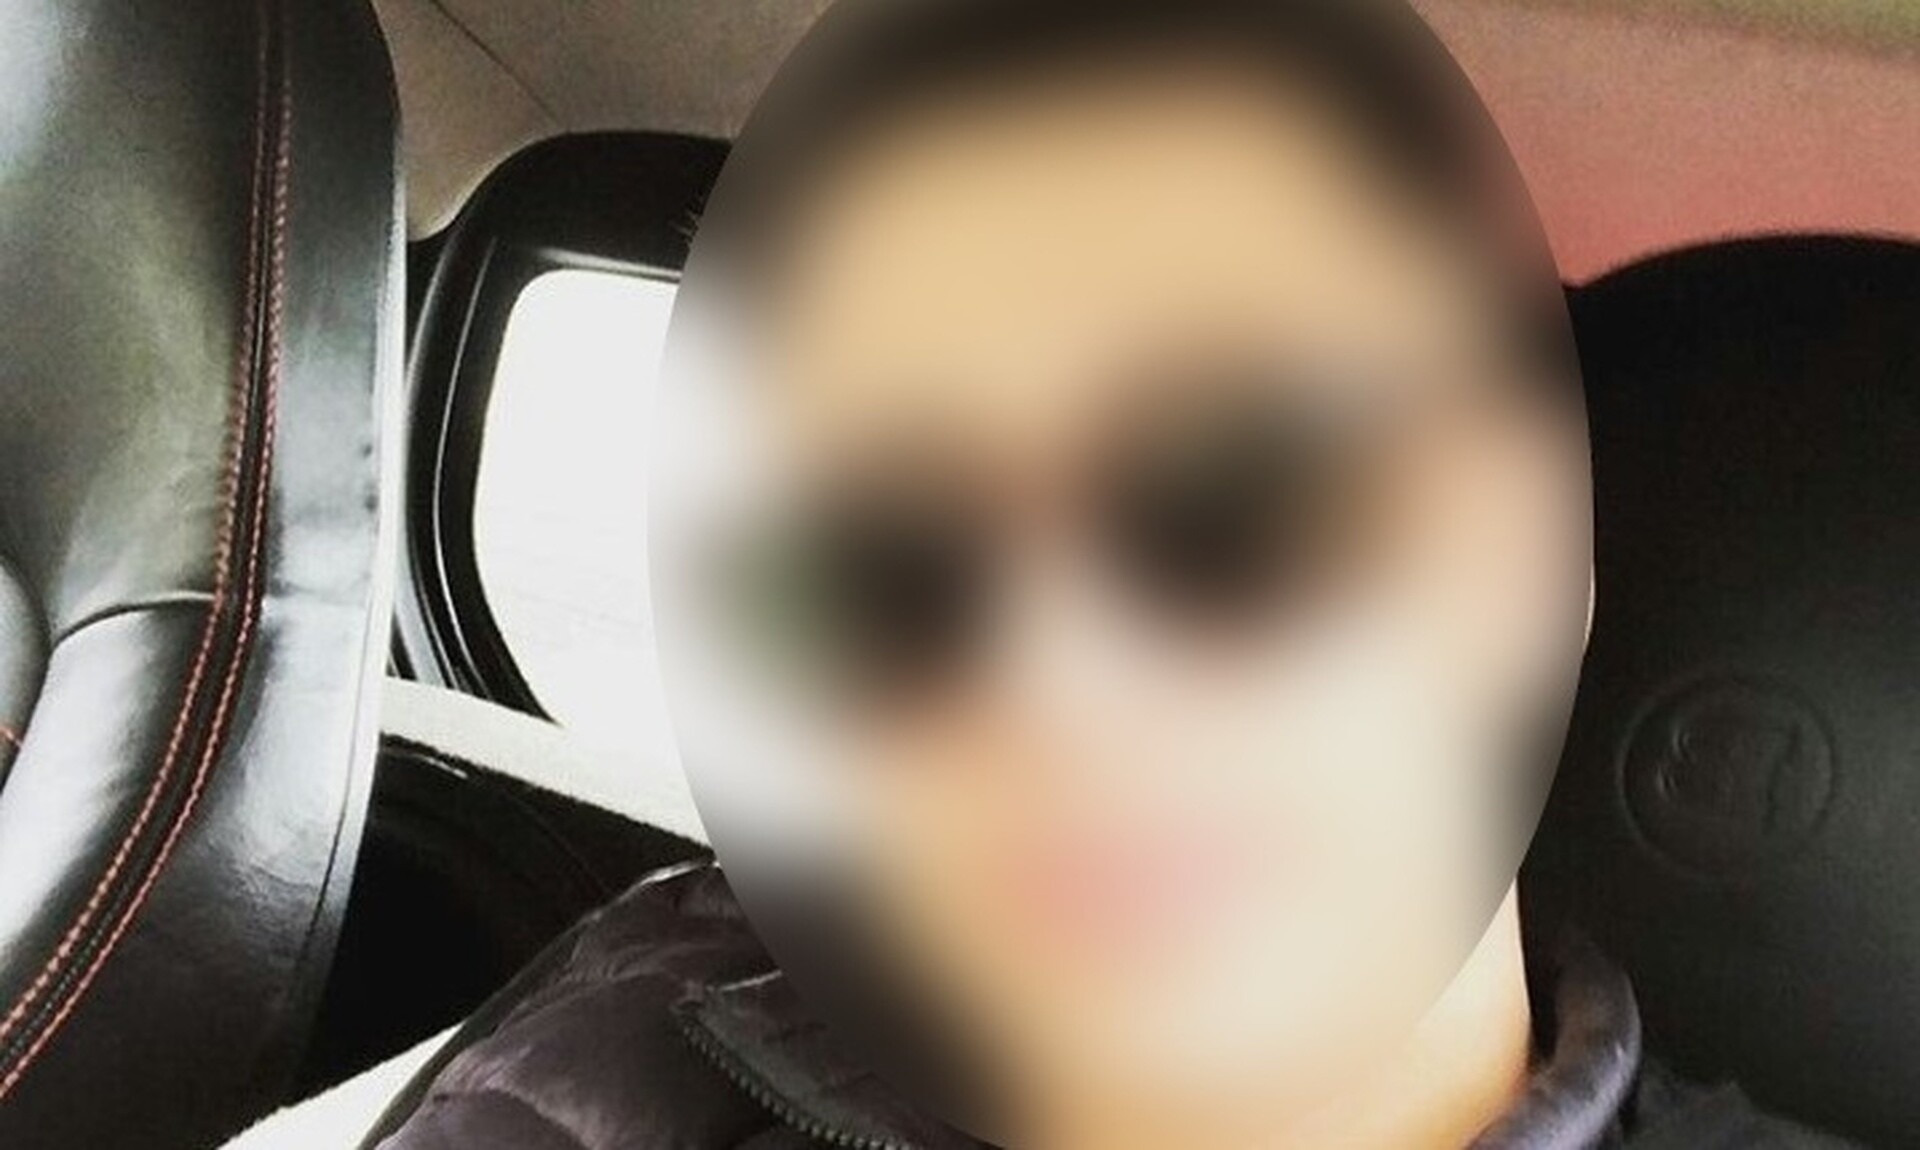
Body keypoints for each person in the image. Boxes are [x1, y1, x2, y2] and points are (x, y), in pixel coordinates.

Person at [367, 2, 1858, 1147]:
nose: (1052, 677)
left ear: (1534, 573)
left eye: (1236, 493)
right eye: (884, 568)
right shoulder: (618, 1020)